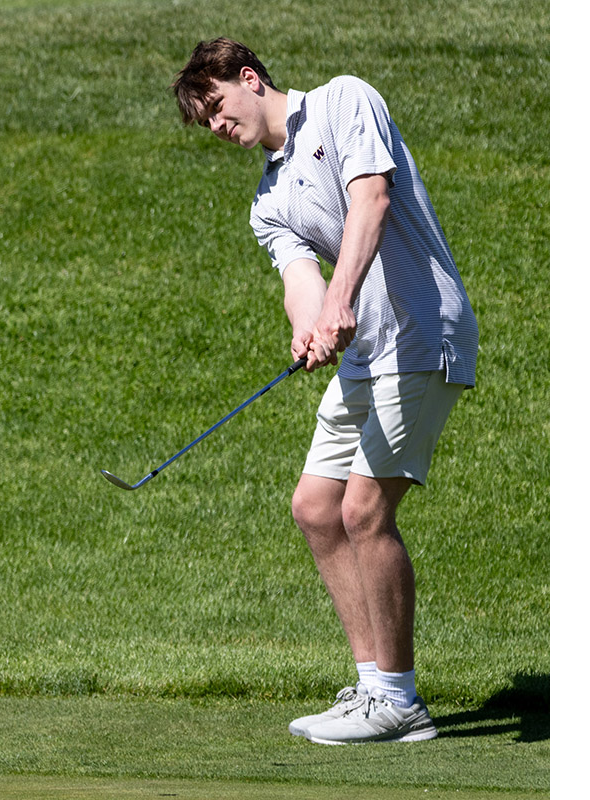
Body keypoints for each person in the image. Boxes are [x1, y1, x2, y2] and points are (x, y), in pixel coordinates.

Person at [171, 39, 478, 744]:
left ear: (250, 79)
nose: (219, 125)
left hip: (423, 333)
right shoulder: (267, 199)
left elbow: (371, 199)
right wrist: (311, 326)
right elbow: (299, 283)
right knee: (315, 507)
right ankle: (372, 685)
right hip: (367, 353)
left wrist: (340, 300)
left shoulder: (345, 100)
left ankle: (399, 701)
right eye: (206, 121)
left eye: (218, 105)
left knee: (364, 508)